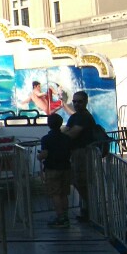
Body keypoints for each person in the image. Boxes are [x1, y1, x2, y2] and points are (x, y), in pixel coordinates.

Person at [64, 90, 98, 222]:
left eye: (80, 101)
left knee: (82, 181)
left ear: (86, 102)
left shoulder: (84, 117)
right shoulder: (75, 116)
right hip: (76, 153)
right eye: (74, 101)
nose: (76, 104)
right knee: (77, 180)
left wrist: (58, 137)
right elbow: (68, 131)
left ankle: (90, 209)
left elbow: (72, 133)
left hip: (82, 153)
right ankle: (88, 208)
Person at [38, 113, 73, 228]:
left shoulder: (46, 139)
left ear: (49, 124)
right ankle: (66, 216)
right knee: (64, 194)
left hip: (52, 169)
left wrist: (40, 157)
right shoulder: (67, 138)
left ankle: (60, 217)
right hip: (66, 168)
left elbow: (45, 154)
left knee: (55, 194)